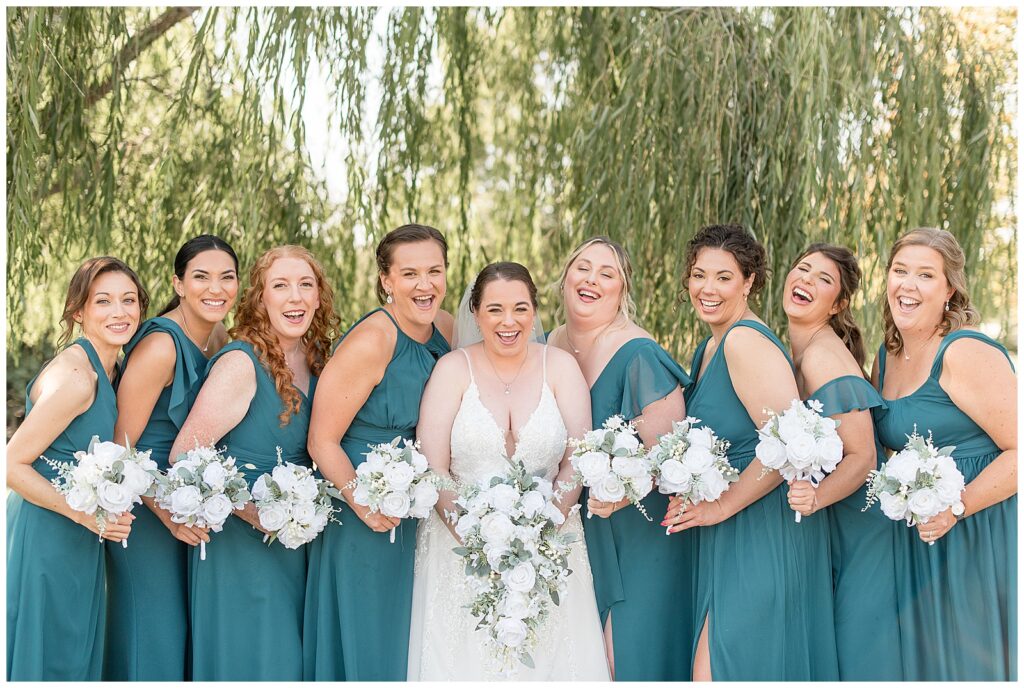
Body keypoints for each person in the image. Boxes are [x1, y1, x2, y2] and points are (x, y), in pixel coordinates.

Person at [407, 262, 609, 680]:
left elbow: (577, 457)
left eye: (520, 308)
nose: (508, 321)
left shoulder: (560, 367)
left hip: (552, 546)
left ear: (534, 311)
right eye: (495, 309)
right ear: (476, 312)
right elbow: (435, 466)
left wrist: (545, 527)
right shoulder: (452, 370)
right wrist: (479, 540)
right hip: (459, 549)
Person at [662, 224, 838, 680]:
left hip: (759, 530)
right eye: (700, 275)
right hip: (728, 531)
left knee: (724, 666)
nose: (708, 288)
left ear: (750, 282)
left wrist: (721, 504)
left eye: (724, 277)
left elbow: (788, 448)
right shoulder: (710, 346)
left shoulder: (744, 341)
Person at [169, 245, 338, 680]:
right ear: (260, 298)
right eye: (279, 286)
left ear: (319, 296)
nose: (295, 297)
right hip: (239, 550)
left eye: (306, 285)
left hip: (297, 544)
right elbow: (184, 457)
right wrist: (256, 512)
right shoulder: (242, 363)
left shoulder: (319, 360)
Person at [304, 224, 454, 681]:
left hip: (412, 507)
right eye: (410, 274)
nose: (424, 285)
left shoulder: (443, 329)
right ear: (387, 280)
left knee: (404, 634)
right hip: (362, 511)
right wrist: (362, 503)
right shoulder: (373, 340)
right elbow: (321, 441)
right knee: (368, 633)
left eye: (435, 271)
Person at [872, 227, 1016, 680]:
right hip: (917, 536)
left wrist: (957, 507)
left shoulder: (965, 351)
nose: (907, 285)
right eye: (899, 271)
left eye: (925, 275)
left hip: (978, 529)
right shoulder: (885, 356)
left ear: (949, 289)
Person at [547, 237, 693, 680]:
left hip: (633, 528)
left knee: (624, 656)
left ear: (622, 290)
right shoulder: (544, 346)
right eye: (583, 268)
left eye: (606, 273)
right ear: (565, 277)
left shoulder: (638, 354)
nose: (591, 280)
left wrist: (623, 493)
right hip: (575, 526)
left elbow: (673, 449)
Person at [104, 235, 238, 680]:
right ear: (178, 284)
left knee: (184, 637)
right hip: (144, 511)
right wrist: (166, 511)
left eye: (227, 277)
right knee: (153, 635)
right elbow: (119, 448)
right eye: (201, 277)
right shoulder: (161, 345)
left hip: (190, 507)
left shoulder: (218, 336)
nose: (215, 288)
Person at [7, 257, 146, 680]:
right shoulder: (78, 378)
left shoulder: (114, 368)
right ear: (78, 311)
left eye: (128, 300)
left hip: (82, 532)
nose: (119, 312)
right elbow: (11, 464)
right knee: (51, 651)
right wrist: (84, 514)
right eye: (102, 301)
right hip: (49, 530)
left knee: (75, 649)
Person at [782, 243, 903, 680]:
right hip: (834, 524)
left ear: (838, 305)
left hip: (859, 529)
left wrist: (813, 498)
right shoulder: (801, 349)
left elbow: (864, 456)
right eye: (802, 269)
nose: (806, 281)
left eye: (823, 280)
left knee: (859, 653)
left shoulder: (822, 357)